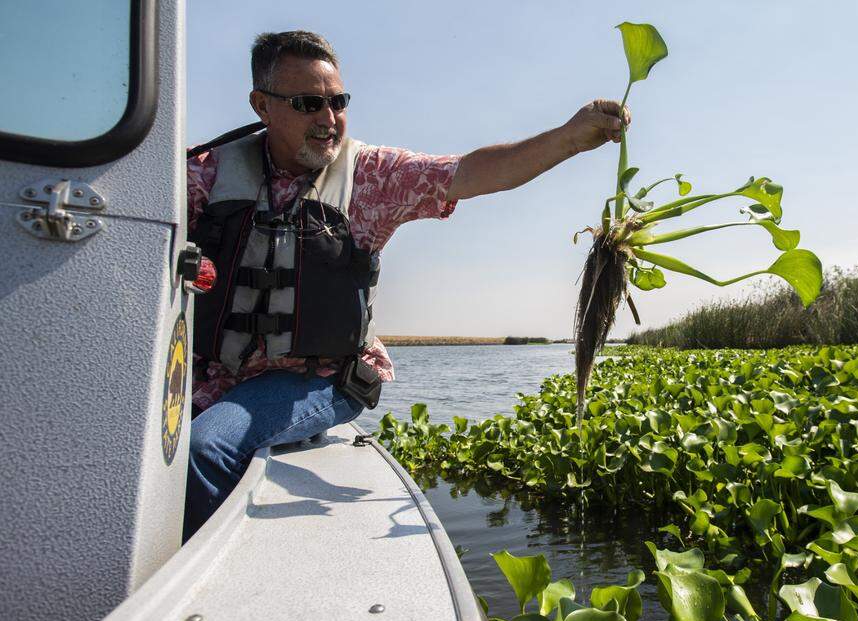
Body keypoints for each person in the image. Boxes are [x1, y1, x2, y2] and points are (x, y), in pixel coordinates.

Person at [182, 30, 631, 541]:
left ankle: (192, 592)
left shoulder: (370, 177)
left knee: (205, 447)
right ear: (262, 105)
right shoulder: (205, 174)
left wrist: (570, 137)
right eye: (308, 104)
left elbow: (470, 172)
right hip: (210, 374)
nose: (328, 120)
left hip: (319, 379)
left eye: (338, 102)